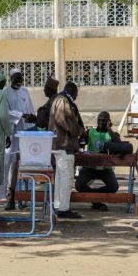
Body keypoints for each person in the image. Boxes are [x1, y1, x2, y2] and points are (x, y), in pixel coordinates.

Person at [49, 81, 85, 219]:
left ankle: (59, 206)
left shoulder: (58, 100)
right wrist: (80, 131)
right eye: (76, 93)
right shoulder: (63, 101)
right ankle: (63, 208)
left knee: (60, 178)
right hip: (64, 145)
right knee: (66, 178)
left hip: (58, 146)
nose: (76, 96)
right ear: (72, 91)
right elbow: (64, 121)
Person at [3, 68, 36, 210]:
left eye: (20, 81)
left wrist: (31, 119)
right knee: (8, 164)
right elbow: (5, 112)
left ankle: (23, 197)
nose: (18, 84)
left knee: (23, 164)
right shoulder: (5, 92)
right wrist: (21, 115)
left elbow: (31, 109)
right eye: (15, 81)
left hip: (25, 132)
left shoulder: (25, 92)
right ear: (11, 80)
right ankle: (7, 195)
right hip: (11, 132)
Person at [75, 111, 121, 212]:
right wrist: (82, 134)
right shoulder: (91, 132)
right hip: (90, 167)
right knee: (79, 185)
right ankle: (96, 202)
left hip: (105, 168)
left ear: (109, 122)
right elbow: (81, 143)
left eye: (104, 121)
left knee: (114, 187)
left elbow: (119, 144)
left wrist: (109, 130)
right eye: (99, 120)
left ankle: (94, 197)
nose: (101, 123)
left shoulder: (113, 134)